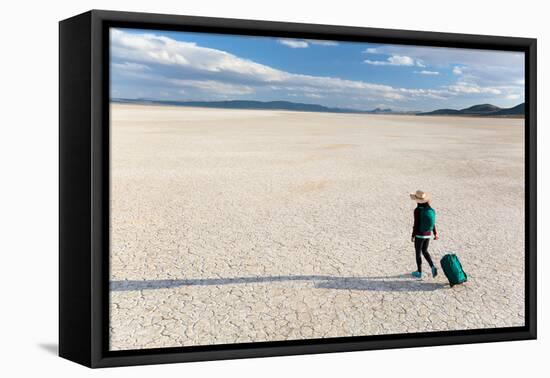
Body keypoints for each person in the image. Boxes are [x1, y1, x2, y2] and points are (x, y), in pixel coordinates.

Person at [409, 190, 438, 278]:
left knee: (418, 253)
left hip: (420, 235)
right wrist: (435, 233)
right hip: (428, 234)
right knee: (425, 251)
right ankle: (432, 266)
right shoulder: (430, 209)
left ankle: (419, 272)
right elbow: (433, 223)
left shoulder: (417, 210)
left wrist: (413, 235)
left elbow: (416, 224)